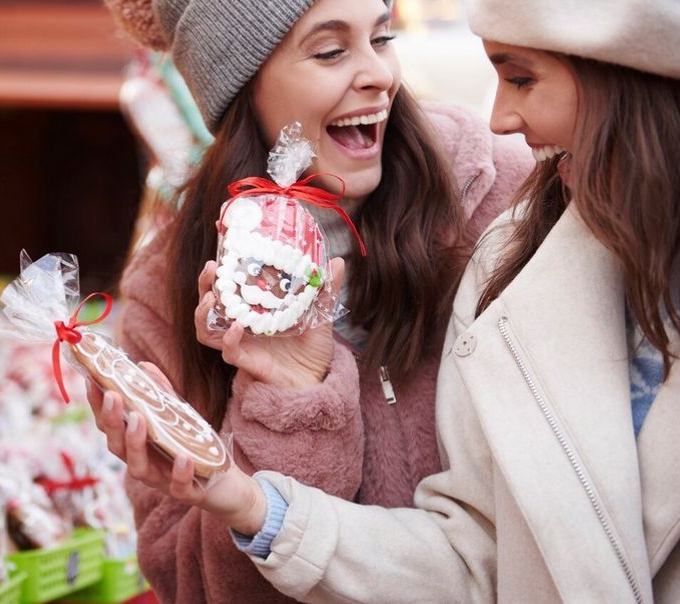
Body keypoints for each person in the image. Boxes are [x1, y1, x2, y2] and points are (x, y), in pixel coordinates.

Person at [98, 0, 680, 601]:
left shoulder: (509, 200)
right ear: (239, 85)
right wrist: (288, 411)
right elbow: (194, 584)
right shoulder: (169, 292)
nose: (381, 74)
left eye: (382, 37)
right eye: (329, 50)